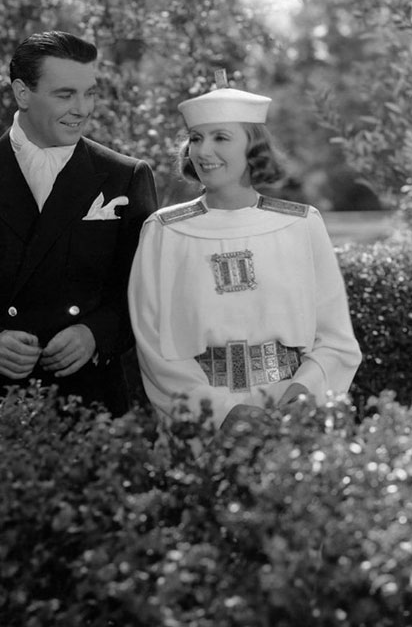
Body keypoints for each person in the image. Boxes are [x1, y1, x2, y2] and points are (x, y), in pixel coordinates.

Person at [0, 31, 158, 414]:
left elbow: (146, 292)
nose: (83, 108)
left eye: (90, 93)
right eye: (65, 94)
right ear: (22, 93)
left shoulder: (126, 177)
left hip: (95, 407)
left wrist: (95, 334)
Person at [127, 79, 362, 433]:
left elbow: (335, 338)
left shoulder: (300, 225)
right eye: (195, 137)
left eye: (221, 137)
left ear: (254, 148)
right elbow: (153, 345)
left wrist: (302, 398)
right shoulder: (164, 232)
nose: (204, 151)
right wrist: (224, 413)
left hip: (290, 419)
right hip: (204, 424)